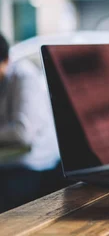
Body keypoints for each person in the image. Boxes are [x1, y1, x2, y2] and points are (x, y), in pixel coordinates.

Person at [0, 33, 62, 212]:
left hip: (33, 165)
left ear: (7, 60)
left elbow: (22, 133)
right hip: (8, 161)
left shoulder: (24, 76)